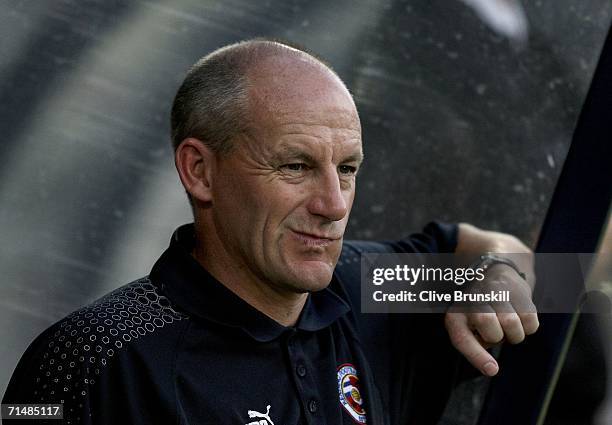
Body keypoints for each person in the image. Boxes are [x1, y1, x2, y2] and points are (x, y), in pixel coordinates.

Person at [2, 39, 538, 425]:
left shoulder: (363, 287)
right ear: (199, 171)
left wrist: (501, 271)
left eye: (347, 169)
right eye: (295, 167)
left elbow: (539, 268)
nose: (333, 205)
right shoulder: (88, 357)